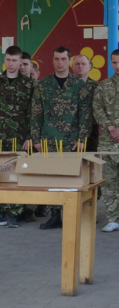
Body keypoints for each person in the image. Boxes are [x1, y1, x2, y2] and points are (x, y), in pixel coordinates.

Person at [31, 46, 91, 230]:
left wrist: (82, 139)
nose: (60, 62)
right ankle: (54, 215)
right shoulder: (43, 85)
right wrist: (36, 139)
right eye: (56, 59)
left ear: (69, 61)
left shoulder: (79, 85)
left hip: (71, 141)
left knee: (71, 180)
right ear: (53, 60)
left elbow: (85, 115)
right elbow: (36, 114)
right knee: (51, 179)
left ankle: (71, 215)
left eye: (64, 59)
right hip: (48, 140)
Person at [0, 46, 34, 228]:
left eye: (14, 60)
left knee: (16, 175)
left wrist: (30, 137)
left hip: (19, 138)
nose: (10, 64)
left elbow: (32, 113)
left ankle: (14, 213)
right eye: (8, 60)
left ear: (21, 62)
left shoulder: (29, 85)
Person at [93, 50, 119, 232]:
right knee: (109, 181)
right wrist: (109, 126)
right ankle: (112, 218)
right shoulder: (103, 86)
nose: (117, 66)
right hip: (108, 141)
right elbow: (97, 108)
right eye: (114, 62)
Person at [72, 54, 99, 151]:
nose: (80, 66)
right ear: (72, 66)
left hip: (91, 131)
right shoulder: (65, 87)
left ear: (89, 67)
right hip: (69, 131)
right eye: (77, 64)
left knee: (90, 162)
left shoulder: (98, 87)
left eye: (83, 64)